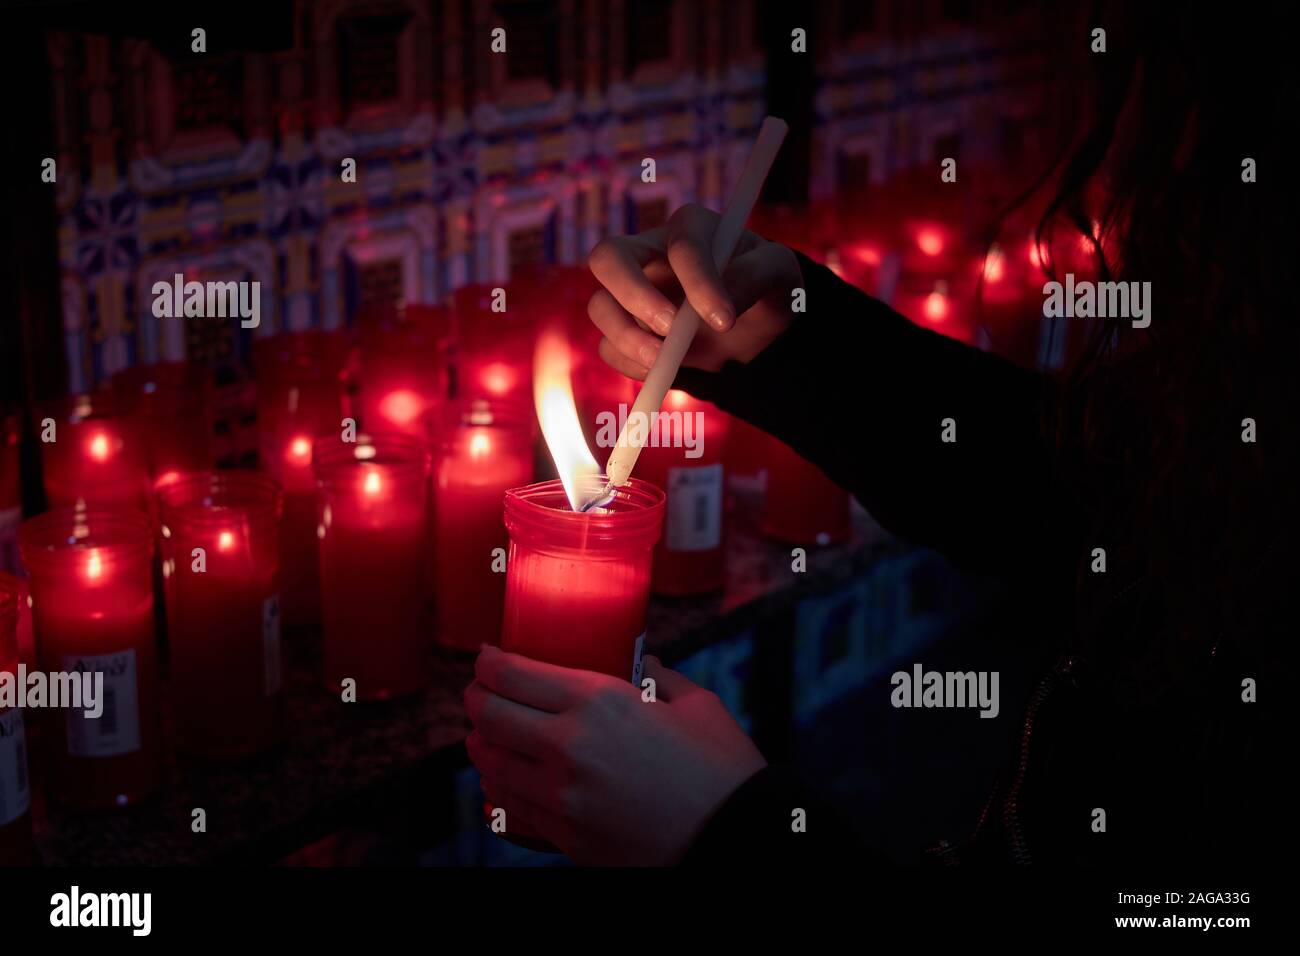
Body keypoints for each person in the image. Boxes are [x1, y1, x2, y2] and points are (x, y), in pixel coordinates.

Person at [464, 3, 1290, 867]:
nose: (1113, 175)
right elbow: (1088, 494)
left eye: (1159, 107)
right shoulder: (1240, 451)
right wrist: (791, 338)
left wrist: (730, 835)